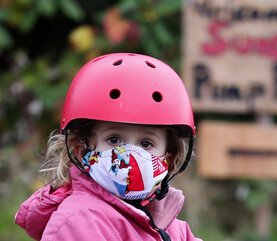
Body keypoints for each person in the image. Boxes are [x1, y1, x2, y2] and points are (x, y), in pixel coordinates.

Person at [15, 53, 201, 241]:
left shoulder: (170, 225)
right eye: (114, 140)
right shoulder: (81, 220)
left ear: (168, 158)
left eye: (146, 144)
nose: (130, 154)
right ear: (82, 151)